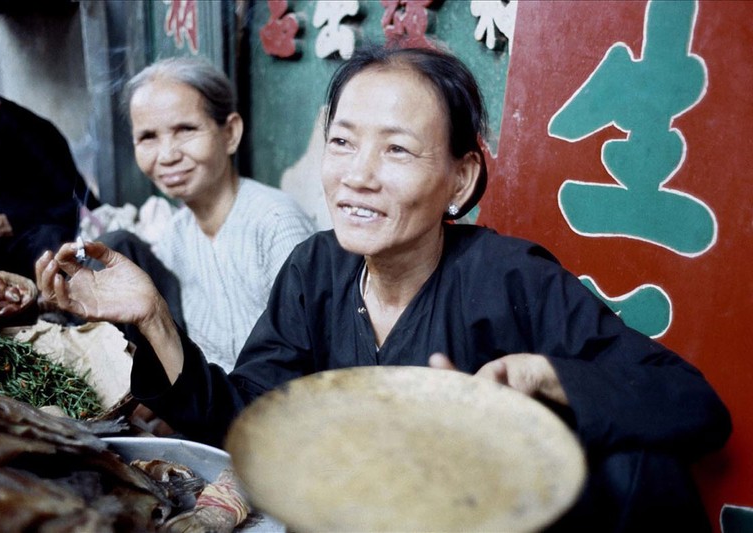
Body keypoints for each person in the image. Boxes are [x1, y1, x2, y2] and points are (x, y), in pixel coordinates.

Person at [36, 45, 731, 531]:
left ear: (459, 179)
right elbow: (249, 419)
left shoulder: (511, 277)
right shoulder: (315, 270)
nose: (357, 175)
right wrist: (153, 317)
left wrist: (547, 376)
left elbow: (694, 405)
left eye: (396, 149)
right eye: (343, 142)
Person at [97, 56, 316, 371]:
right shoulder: (177, 233)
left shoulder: (276, 224)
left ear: (229, 134)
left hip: (272, 404)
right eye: (148, 137)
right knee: (114, 247)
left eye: (185, 130)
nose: (168, 155)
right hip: (212, 400)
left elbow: (307, 355)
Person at [0, 51, 98, 279]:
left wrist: (4, 223)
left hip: (39, 245)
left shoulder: (30, 133)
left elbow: (76, 206)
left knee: (50, 241)